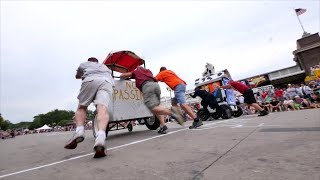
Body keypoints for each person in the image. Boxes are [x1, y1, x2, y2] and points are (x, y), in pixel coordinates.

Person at [64, 57, 114, 158]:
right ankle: (100, 137)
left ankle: (79, 132)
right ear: (97, 62)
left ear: (89, 61)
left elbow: (77, 76)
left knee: (82, 107)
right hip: (107, 82)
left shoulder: (84, 64)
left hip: (91, 79)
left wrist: (81, 74)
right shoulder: (105, 67)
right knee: (102, 109)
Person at [120, 66, 184, 134]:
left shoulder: (136, 71)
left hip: (147, 86)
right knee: (157, 107)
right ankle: (163, 126)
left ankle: (172, 112)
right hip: (156, 85)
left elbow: (122, 75)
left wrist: (127, 76)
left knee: (153, 108)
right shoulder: (148, 72)